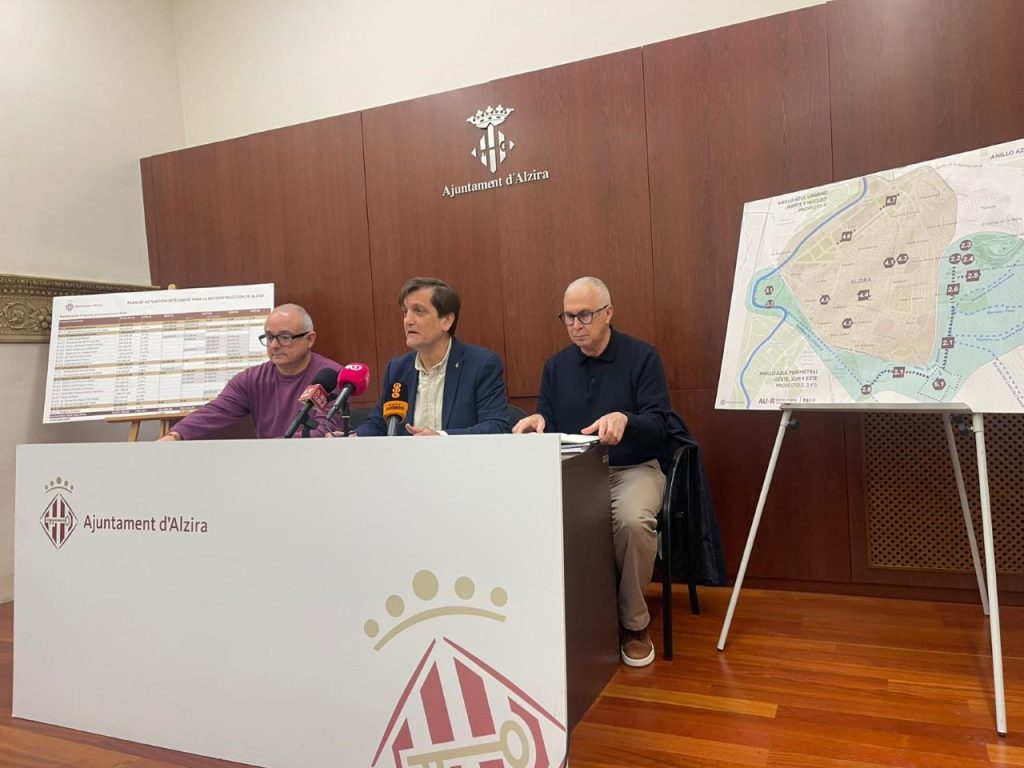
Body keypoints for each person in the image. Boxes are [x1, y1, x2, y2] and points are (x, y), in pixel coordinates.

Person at [513, 276, 675, 667]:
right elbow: (549, 418)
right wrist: (538, 420)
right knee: (529, 517)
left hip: (633, 467)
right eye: (568, 317)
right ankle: (558, 618)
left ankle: (633, 623)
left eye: (584, 315)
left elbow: (661, 424)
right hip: (576, 472)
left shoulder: (641, 357)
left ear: (608, 313)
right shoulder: (556, 366)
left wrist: (627, 419)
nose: (575, 325)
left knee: (633, 521)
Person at [159, 303, 343, 440]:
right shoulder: (251, 379)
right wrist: (175, 435)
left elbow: (323, 430)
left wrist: (265, 450)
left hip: (314, 463)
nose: (274, 345)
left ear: (310, 339)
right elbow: (216, 411)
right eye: (269, 337)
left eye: (285, 337)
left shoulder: (331, 377)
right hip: (267, 465)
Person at [356, 277, 509, 436]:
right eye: (405, 312)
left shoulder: (480, 365)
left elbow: (495, 426)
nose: (408, 320)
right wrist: (353, 437)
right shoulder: (398, 369)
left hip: (459, 453)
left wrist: (441, 437)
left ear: (447, 321)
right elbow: (378, 424)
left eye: (418, 311)